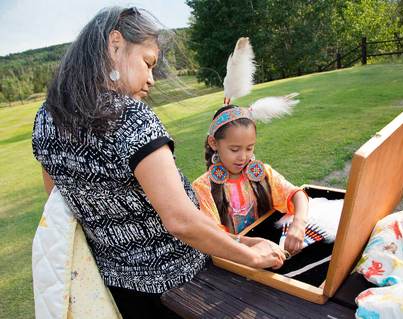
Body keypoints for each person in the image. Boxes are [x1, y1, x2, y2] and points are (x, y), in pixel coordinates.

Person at [31, 6, 285, 318]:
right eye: (147, 63)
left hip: (119, 291)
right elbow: (180, 219)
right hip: (182, 288)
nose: (151, 79)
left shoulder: (47, 117)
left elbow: (58, 199)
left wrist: (238, 240)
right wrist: (251, 258)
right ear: (115, 44)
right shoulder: (131, 117)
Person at [192, 104, 310, 256]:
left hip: (272, 251)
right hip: (234, 258)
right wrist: (254, 247)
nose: (242, 157)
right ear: (213, 143)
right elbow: (213, 236)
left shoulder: (263, 173)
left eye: (249, 148)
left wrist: (299, 223)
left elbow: (297, 195)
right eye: (234, 149)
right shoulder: (203, 187)